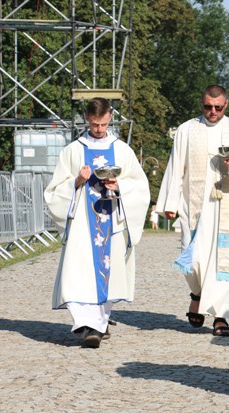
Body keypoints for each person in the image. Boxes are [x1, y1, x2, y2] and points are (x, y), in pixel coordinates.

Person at [44, 97, 150, 348]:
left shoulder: (122, 150)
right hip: (83, 222)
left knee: (108, 270)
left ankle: (99, 324)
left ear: (110, 118)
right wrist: (77, 182)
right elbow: (53, 191)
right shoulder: (73, 150)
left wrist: (119, 185)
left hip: (111, 219)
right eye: (94, 125)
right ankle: (86, 323)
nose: (99, 130)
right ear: (87, 120)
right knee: (78, 270)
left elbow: (140, 186)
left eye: (102, 124)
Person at [156, 85, 229, 337]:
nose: (212, 112)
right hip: (194, 205)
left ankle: (221, 315)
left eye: (218, 107)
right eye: (208, 106)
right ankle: (197, 293)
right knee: (192, 259)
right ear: (202, 103)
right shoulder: (187, 130)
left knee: (225, 260)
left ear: (226, 105)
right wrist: (170, 202)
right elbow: (176, 166)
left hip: (226, 207)